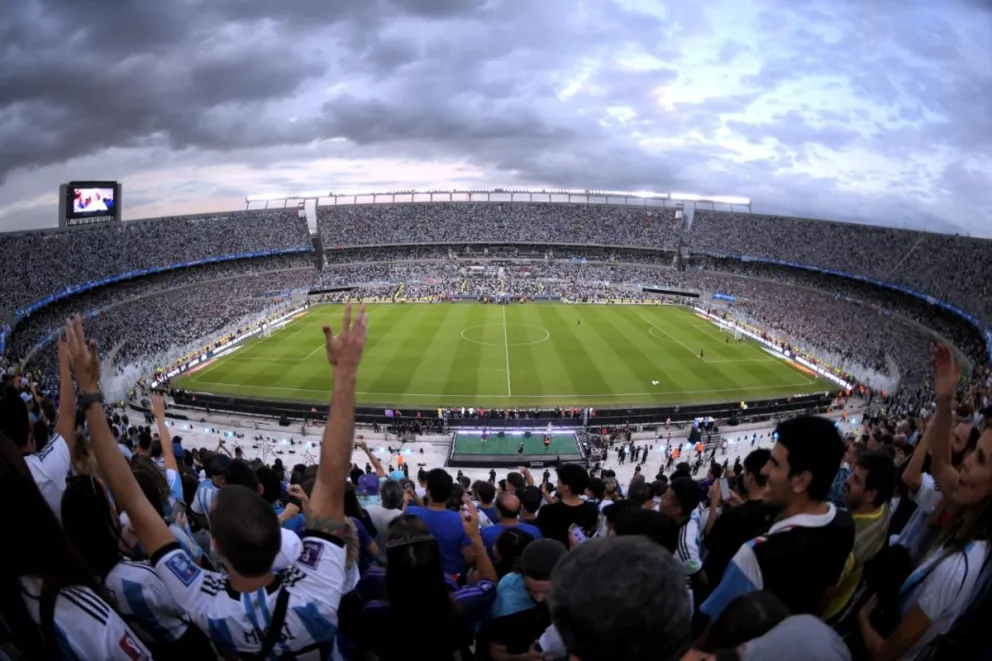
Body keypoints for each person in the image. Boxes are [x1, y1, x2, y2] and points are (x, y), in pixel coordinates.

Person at [71, 307, 366, 658]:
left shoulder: (203, 600)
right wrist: (345, 374)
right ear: (279, 541)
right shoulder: (319, 588)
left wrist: (90, 396)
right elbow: (333, 476)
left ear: (218, 548)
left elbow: (132, 500)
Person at [857, 346, 992, 660]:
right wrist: (945, 402)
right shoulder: (972, 517)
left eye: (981, 459)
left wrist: (862, 615)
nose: (966, 463)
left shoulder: (954, 571)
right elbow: (943, 470)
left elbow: (887, 655)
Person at [698, 416, 854, 635]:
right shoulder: (844, 524)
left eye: (775, 463)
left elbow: (710, 629)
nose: (764, 471)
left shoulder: (755, 555)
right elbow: (825, 596)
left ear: (800, 480)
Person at [405, 469, 474, 577]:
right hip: (450, 579)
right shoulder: (461, 520)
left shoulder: (410, 513)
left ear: (427, 492)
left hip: (417, 576)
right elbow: (469, 558)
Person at [536, 464, 599, 546]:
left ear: (566, 487)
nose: (557, 484)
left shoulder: (547, 511)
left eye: (559, 480)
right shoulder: (592, 508)